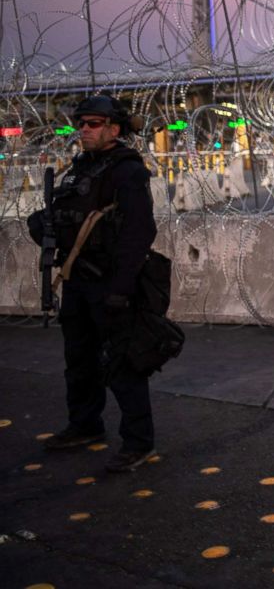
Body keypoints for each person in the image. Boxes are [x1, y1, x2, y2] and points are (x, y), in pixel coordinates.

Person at [27, 95, 158, 472]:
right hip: (77, 279)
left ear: (114, 129)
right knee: (79, 359)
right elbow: (68, 214)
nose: (83, 130)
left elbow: (139, 231)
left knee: (121, 363)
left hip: (109, 281)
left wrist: (121, 287)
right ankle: (84, 424)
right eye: (81, 123)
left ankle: (137, 442)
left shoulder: (127, 171)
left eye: (93, 123)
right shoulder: (82, 166)